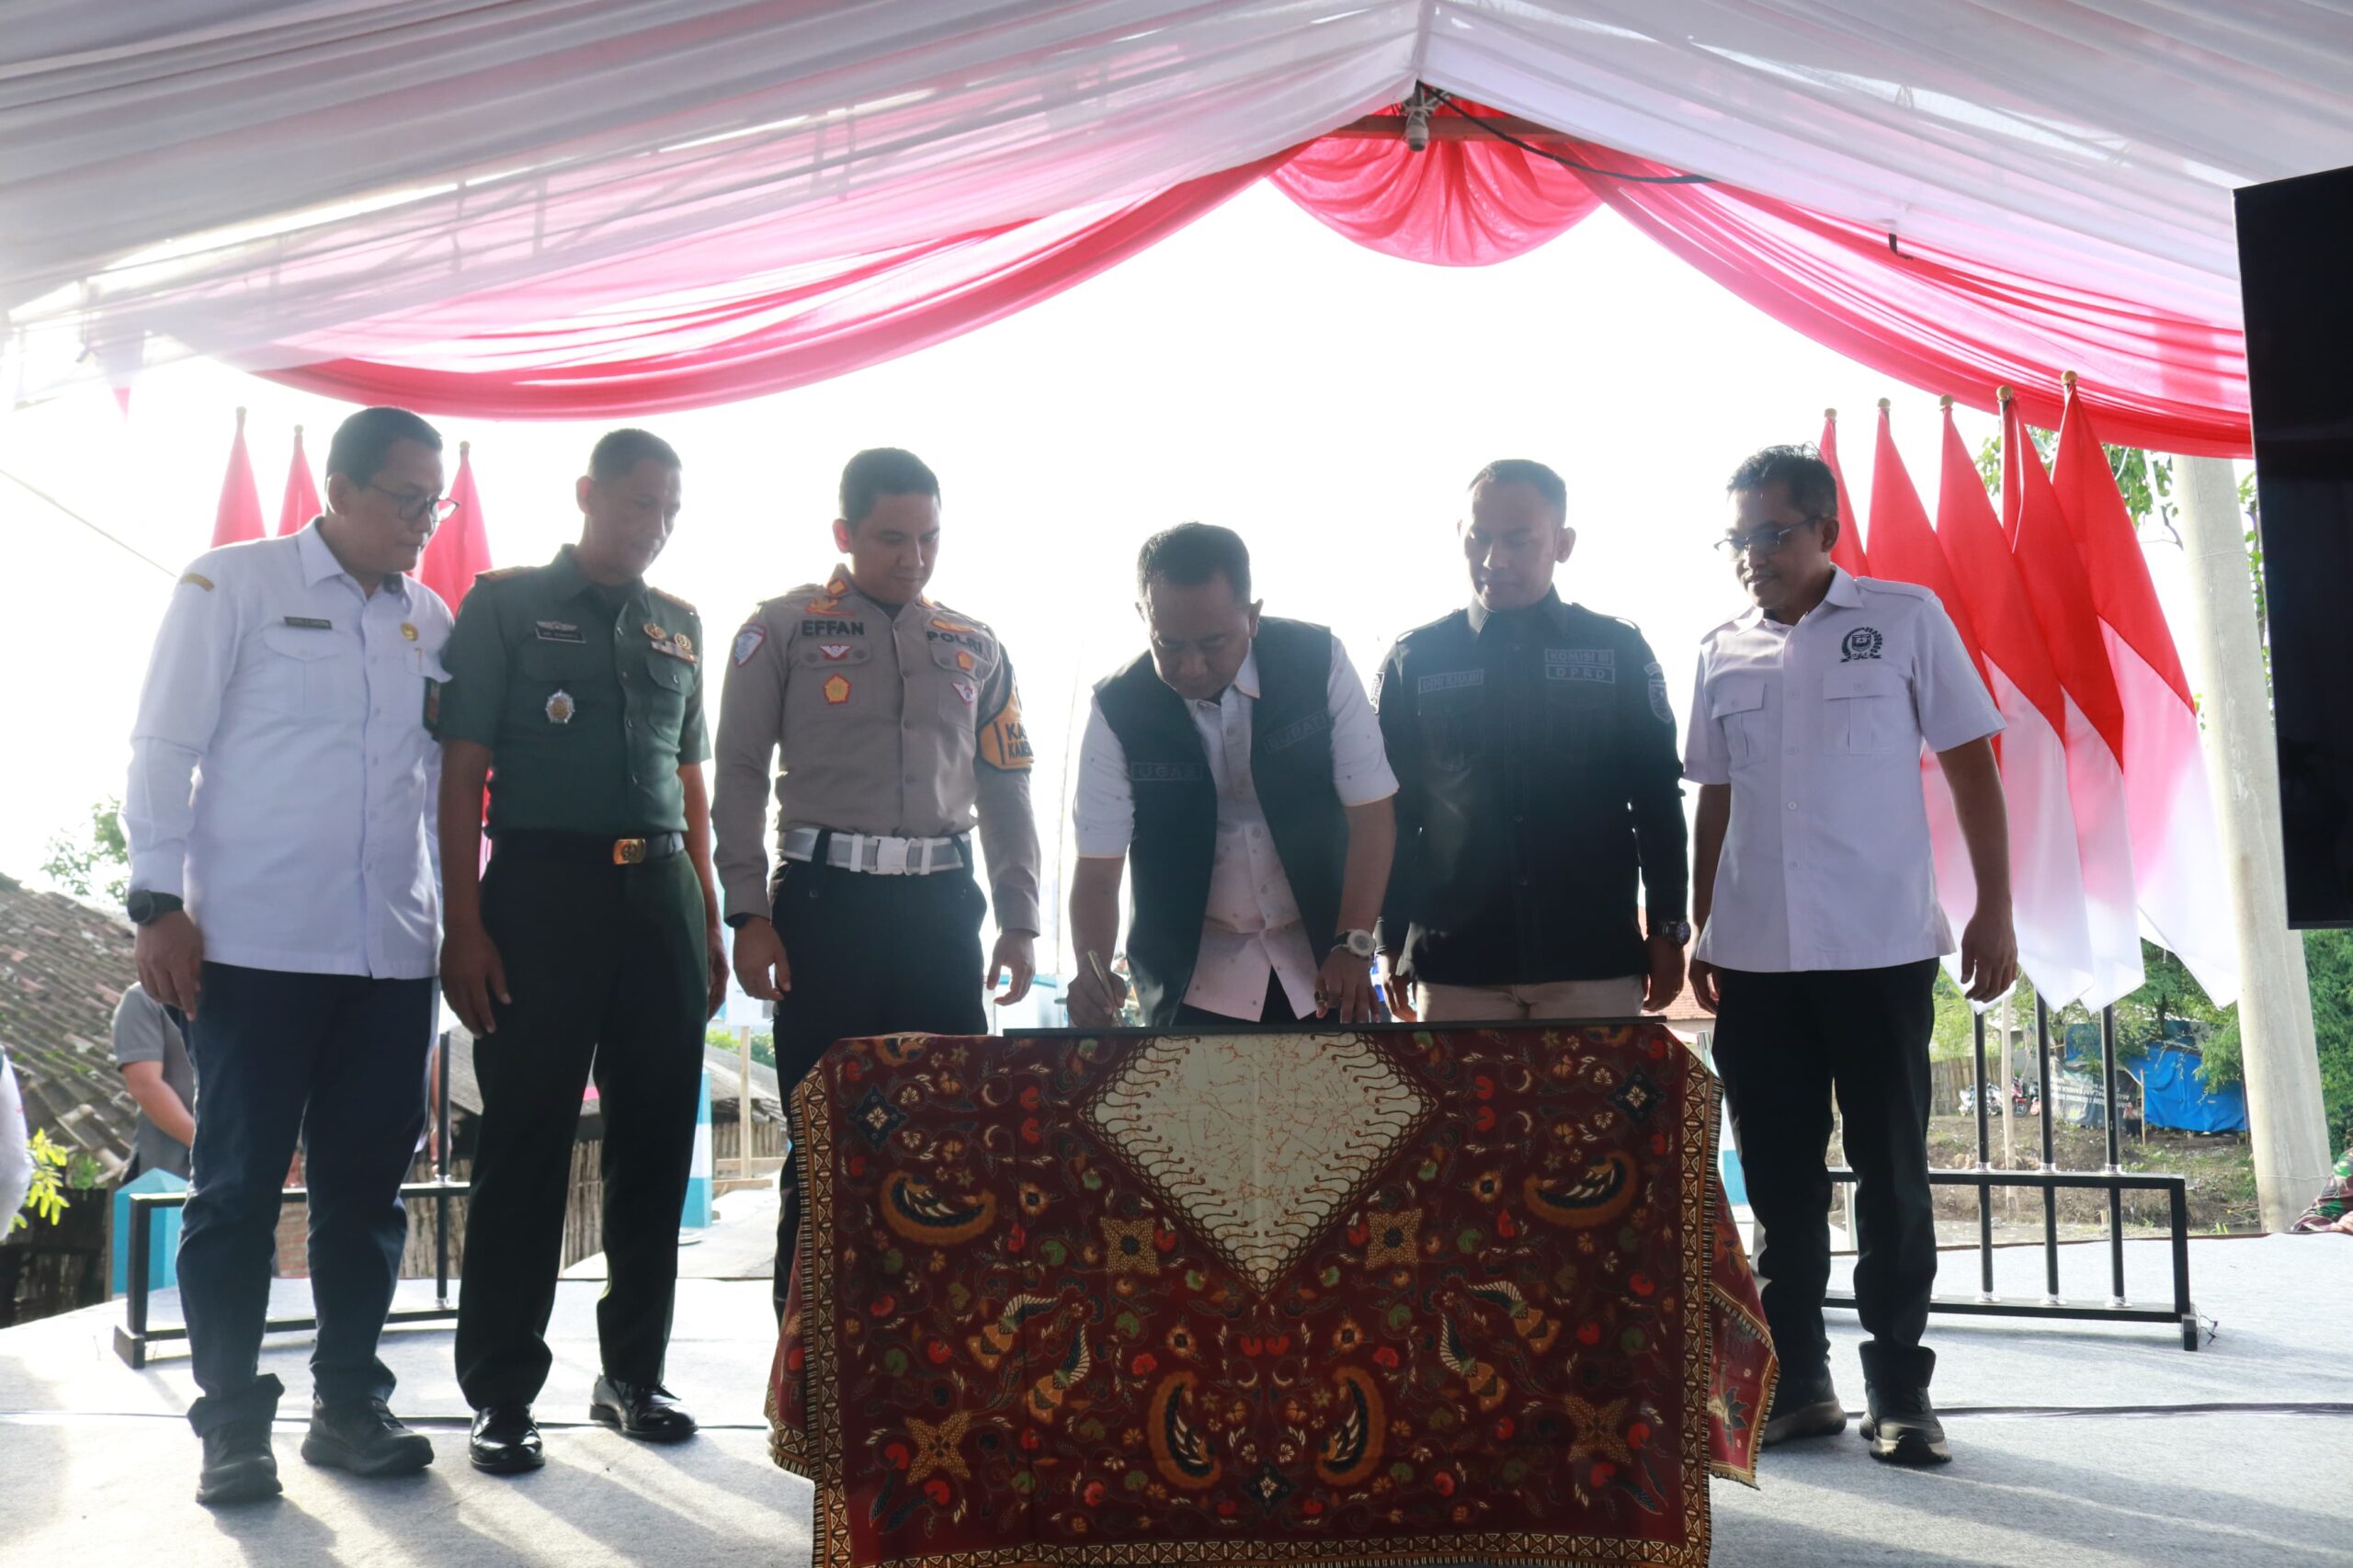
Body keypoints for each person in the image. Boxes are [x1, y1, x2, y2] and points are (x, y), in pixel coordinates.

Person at [122, 404, 455, 1506]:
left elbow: (438, 791)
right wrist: (156, 901)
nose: (423, 519)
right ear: (341, 490)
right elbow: (163, 745)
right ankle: (229, 1423)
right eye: (406, 498)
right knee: (236, 1190)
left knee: (366, 1196)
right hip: (255, 947)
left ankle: (349, 1403)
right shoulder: (233, 582)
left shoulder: (431, 618)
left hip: (391, 955)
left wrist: (457, 922)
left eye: (435, 501)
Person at [1686, 445, 2017, 1468]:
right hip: (1757, 956)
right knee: (1779, 1182)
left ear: (1826, 530)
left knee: (1892, 1175)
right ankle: (1800, 1381)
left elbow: (1970, 762)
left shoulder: (1904, 619)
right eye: (1737, 538)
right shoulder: (1719, 651)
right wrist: (1701, 923)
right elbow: (1714, 795)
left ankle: (1900, 1387)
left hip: (1879, 947)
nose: (1752, 554)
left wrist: (1994, 909)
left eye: (1772, 533)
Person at [437, 427, 727, 1475]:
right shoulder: (505, 606)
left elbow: (689, 784)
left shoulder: (679, 624)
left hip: (661, 896)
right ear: (587, 493)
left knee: (654, 1141)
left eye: (669, 511)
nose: (653, 527)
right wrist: (462, 923)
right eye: (638, 503)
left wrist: (708, 914)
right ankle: (502, 1393)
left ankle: (633, 1375)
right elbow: (461, 770)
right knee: (526, 1141)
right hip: (540, 892)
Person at [713, 448, 1040, 1321]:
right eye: (893, 538)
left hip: (940, 914)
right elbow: (738, 774)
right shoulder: (781, 629)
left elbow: (1007, 785)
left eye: (928, 538)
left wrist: (1019, 918)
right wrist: (747, 912)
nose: (914, 557)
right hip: (825, 911)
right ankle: (811, 1371)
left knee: (948, 1144)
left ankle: (939, 1354)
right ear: (844, 533)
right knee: (822, 1141)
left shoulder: (976, 643)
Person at [1374, 460, 1689, 1022]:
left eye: (1519, 540)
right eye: (1479, 538)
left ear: (1562, 544)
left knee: (1596, 1090)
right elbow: (1392, 814)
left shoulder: (1617, 650)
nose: (1495, 559)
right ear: (1459, 535)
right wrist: (1386, 935)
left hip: (1591, 960)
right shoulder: (1416, 660)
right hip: (1456, 966)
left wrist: (1667, 927)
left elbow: (1657, 799)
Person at [1067, 523, 1396, 1028]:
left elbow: (1372, 816)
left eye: (1212, 642)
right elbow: (1097, 868)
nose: (1191, 666)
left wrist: (1353, 943)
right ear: (1143, 617)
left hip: (1327, 965)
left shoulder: (1318, 662)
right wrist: (1091, 968)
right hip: (1193, 983)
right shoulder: (1117, 708)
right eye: (1168, 644)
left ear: (1253, 616)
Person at [112, 982, 195, 1180]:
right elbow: (146, 1086)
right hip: (171, 1174)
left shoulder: (248, 996)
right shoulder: (145, 997)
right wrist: (214, 1149)